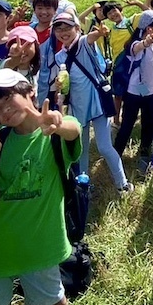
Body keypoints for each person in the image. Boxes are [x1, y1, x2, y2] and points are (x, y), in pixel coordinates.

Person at [0, 70, 105, 305]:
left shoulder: (53, 133)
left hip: (41, 245)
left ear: (30, 91)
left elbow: (73, 130)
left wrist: (59, 122)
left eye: (7, 99)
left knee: (55, 303)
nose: (3, 111)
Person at [51, 12, 132, 193]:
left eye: (68, 28)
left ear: (77, 29)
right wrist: (59, 86)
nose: (64, 32)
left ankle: (123, 184)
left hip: (97, 102)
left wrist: (100, 32)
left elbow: (91, 37)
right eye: (59, 29)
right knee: (82, 148)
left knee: (104, 147)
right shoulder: (59, 57)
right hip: (77, 106)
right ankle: (84, 186)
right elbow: (66, 85)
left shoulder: (82, 43)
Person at [113, 10, 153, 171]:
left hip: (151, 93)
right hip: (133, 94)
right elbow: (137, 48)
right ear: (148, 27)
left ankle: (144, 154)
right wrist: (146, 42)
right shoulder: (134, 44)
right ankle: (116, 154)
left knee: (147, 125)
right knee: (127, 125)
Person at [0, 25, 41, 91]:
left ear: (36, 46)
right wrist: (16, 57)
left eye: (27, 44)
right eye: (16, 44)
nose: (22, 50)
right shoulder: (5, 65)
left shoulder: (36, 69)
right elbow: (10, 64)